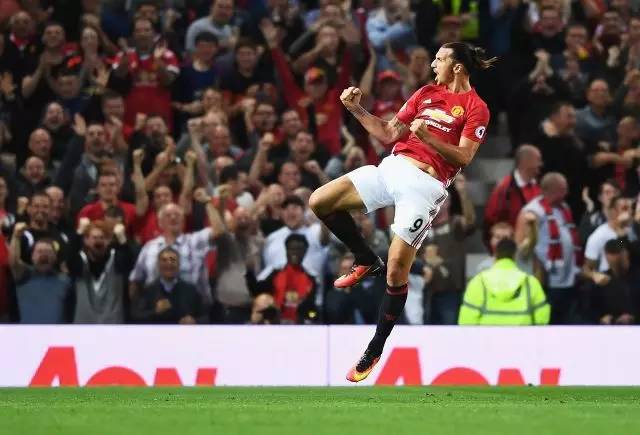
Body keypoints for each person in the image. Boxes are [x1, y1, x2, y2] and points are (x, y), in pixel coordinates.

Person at [309, 42, 493, 382]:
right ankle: (365, 258)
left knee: (395, 272)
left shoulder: (476, 108)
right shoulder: (425, 93)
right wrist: (356, 109)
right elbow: (389, 132)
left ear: (457, 66)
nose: (433, 63)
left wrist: (429, 139)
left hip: (425, 187)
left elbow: (464, 157)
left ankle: (374, 348)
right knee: (320, 200)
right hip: (391, 167)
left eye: (439, 58)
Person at [458, 238, 550, 325]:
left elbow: (467, 320)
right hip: (522, 335)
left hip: (487, 336)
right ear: (515, 256)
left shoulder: (479, 281)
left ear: (495, 256)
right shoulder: (530, 282)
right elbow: (542, 319)